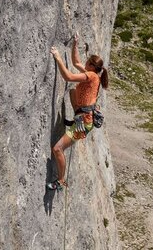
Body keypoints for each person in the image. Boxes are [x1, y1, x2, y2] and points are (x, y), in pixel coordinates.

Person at [47, 34, 108, 190]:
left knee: (57, 149)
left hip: (84, 123)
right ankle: (76, 116)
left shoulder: (91, 76)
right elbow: (76, 62)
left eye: (87, 63)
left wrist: (58, 57)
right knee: (73, 92)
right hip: (84, 118)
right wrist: (75, 44)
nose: (84, 64)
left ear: (92, 66)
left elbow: (68, 76)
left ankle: (60, 181)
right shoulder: (95, 75)